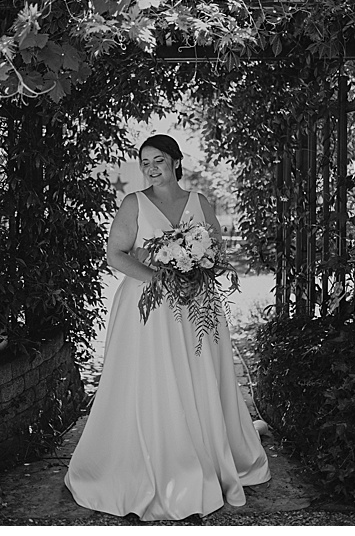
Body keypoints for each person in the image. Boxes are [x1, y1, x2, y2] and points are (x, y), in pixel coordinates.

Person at [65, 134, 270, 520]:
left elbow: (216, 252)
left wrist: (196, 269)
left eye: (158, 160)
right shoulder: (134, 204)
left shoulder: (199, 203)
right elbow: (115, 256)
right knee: (152, 379)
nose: (151, 168)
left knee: (198, 375)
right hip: (148, 306)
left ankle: (206, 449)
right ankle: (157, 456)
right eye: (145, 162)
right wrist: (159, 278)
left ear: (176, 161)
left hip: (196, 305)